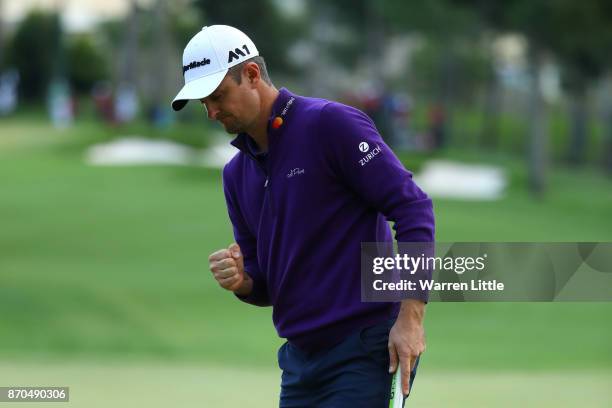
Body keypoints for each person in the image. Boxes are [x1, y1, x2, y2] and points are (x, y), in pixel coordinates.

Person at [171, 25, 435, 407]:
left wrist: (411, 318)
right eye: (203, 104)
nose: (211, 112)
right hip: (299, 365)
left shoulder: (331, 125)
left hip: (364, 352)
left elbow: (413, 207)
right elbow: (263, 282)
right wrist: (242, 280)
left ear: (251, 75)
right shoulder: (235, 174)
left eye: (217, 96)